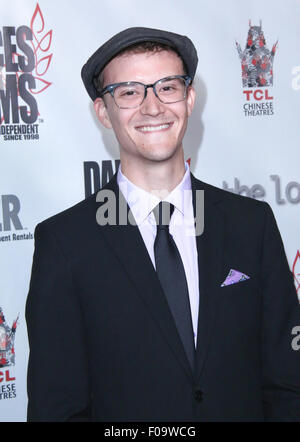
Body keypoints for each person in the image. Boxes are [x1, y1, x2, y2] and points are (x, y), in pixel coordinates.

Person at [25, 27, 300, 422]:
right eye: (129, 91)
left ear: (189, 99)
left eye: (167, 87)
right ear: (103, 111)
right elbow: (58, 408)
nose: (153, 107)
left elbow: (288, 385)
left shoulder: (250, 224)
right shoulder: (65, 243)